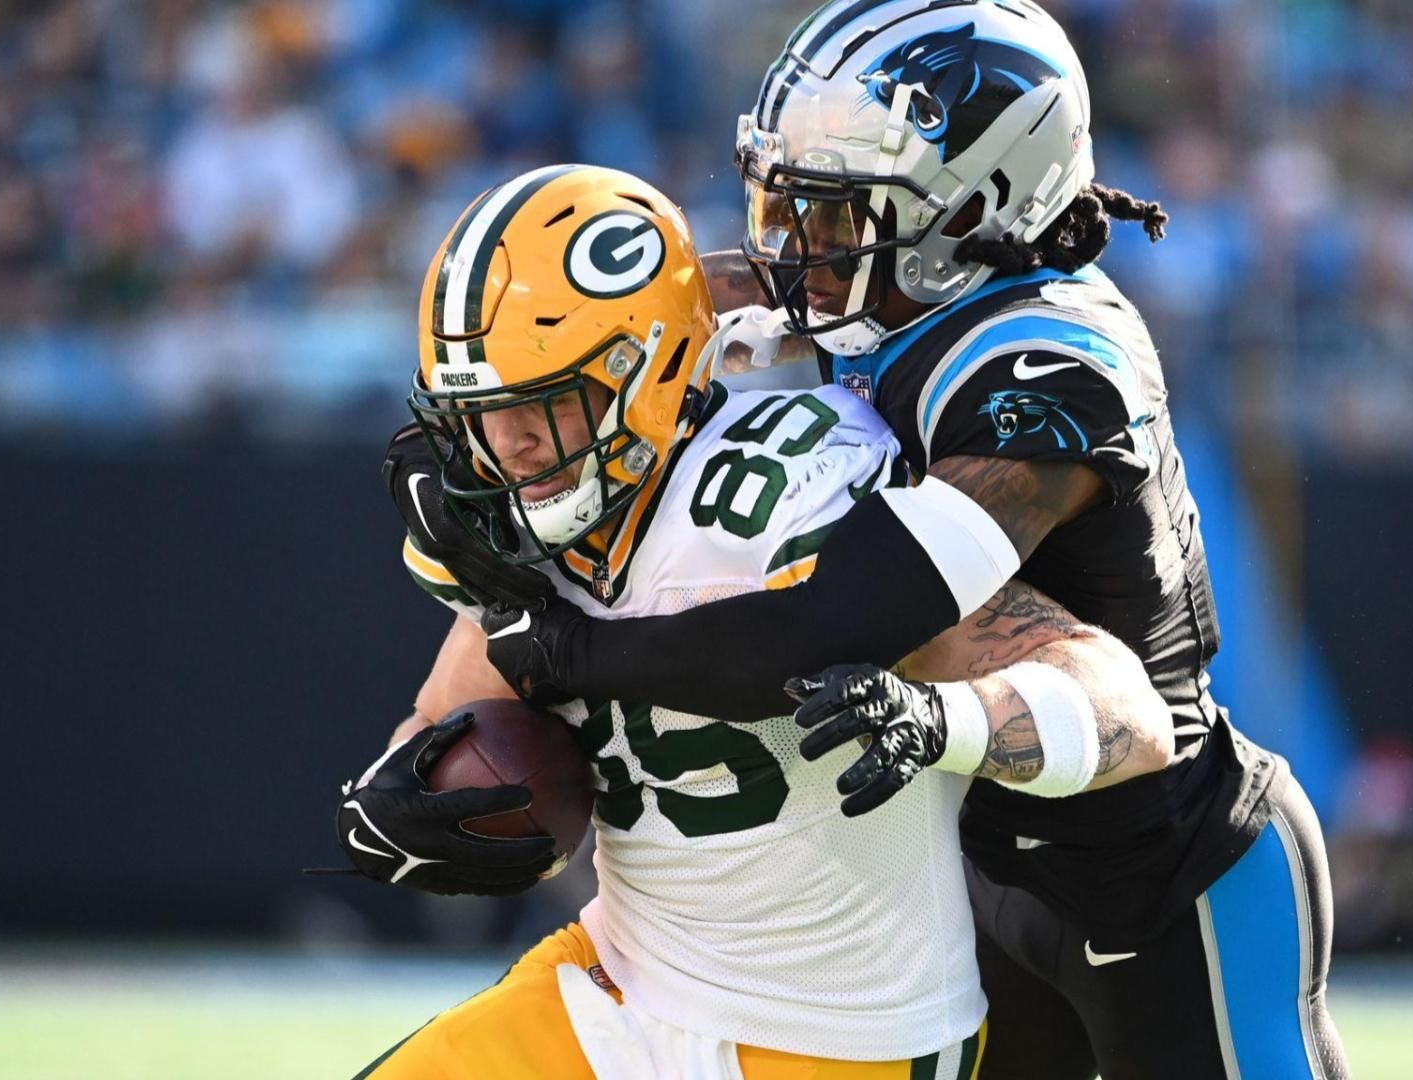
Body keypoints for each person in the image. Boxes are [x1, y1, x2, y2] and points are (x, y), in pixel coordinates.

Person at [462, 4, 1350, 1078]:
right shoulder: (894, 291)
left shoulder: (1049, 366)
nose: (796, 250)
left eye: (834, 219)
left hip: (1162, 867)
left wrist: (564, 652)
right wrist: (481, 397)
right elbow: (637, 306)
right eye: (793, 205)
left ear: (975, 209)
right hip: (983, 878)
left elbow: (830, 628)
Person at [338, 163, 1177, 1079]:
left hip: (842, 1042)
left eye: (542, 405)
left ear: (645, 371)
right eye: (482, 415)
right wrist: (414, 798)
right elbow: (450, 713)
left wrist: (950, 724)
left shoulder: (794, 502)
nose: (510, 448)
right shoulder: (516, 518)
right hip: (618, 986)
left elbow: (1129, 716)